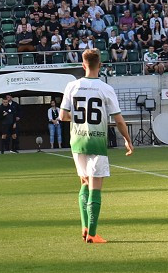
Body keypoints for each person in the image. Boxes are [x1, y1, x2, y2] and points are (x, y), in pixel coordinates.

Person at [57, 49, 134, 244]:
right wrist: (127, 139)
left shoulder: (72, 86)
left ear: (83, 65)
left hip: (77, 141)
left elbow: (63, 116)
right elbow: (118, 119)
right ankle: (92, 233)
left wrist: (80, 118)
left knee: (84, 183)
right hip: (97, 141)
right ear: (100, 65)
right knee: (96, 188)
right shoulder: (105, 88)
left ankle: (84, 228)